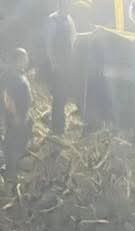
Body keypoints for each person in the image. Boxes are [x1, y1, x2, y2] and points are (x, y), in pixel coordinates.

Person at [44, 0, 77, 136]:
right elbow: (48, 43)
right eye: (66, 5)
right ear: (60, 5)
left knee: (63, 95)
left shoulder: (69, 20)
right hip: (57, 64)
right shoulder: (52, 20)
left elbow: (73, 38)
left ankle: (60, 125)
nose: (68, 8)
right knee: (58, 95)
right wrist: (53, 63)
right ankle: (56, 127)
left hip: (67, 63)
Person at [1, 48, 32, 189]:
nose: (27, 61)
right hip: (15, 118)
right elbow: (7, 97)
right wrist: (15, 115)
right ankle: (10, 176)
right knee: (12, 145)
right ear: (18, 60)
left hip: (21, 117)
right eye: (25, 59)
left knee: (17, 144)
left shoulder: (18, 74)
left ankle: (13, 173)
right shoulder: (12, 76)